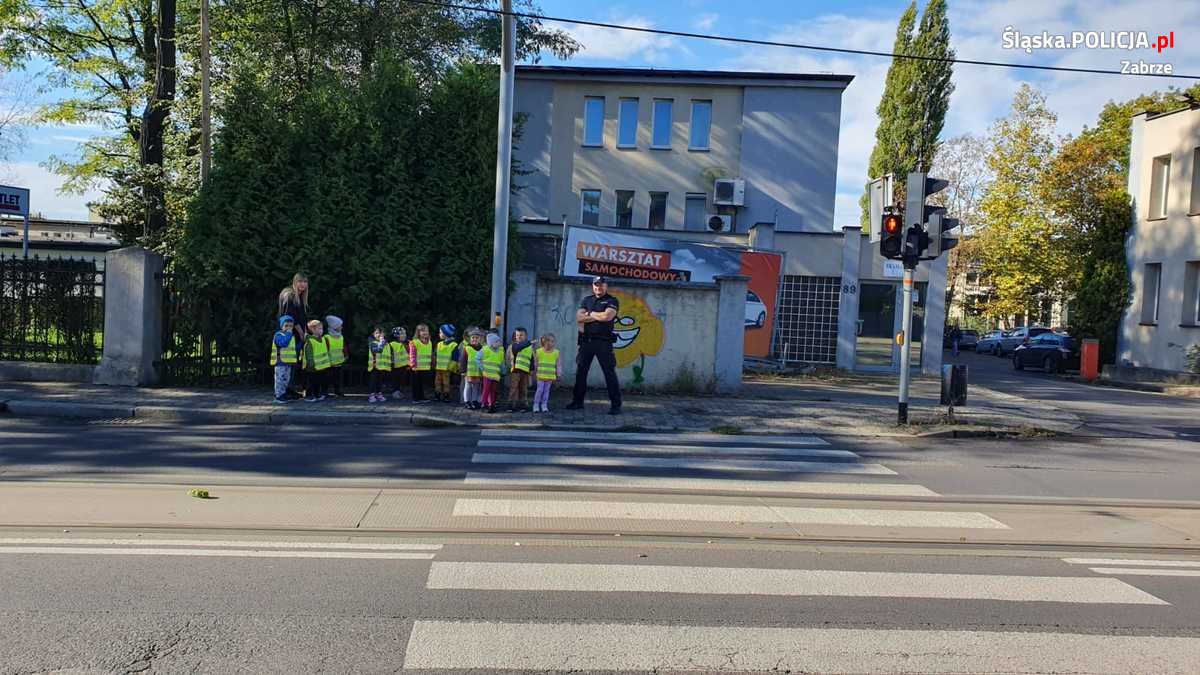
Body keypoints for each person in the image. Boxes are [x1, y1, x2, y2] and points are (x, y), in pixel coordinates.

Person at [566, 276, 622, 415]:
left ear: (606, 286)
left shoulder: (612, 300)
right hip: (586, 342)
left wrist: (589, 313)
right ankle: (577, 402)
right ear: (593, 286)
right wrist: (598, 315)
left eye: (601, 285)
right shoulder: (587, 300)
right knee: (581, 372)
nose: (598, 287)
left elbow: (607, 317)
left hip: (604, 342)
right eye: (596, 285)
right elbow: (579, 317)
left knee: (609, 373)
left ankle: (616, 405)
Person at [278, 273, 310, 398]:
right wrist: (302, 333)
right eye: (300, 281)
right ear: (295, 282)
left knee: (292, 363)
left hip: (295, 336)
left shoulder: (299, 297)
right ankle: (284, 391)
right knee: (287, 364)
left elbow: (301, 317)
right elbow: (290, 319)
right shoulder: (290, 296)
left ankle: (289, 389)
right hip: (290, 337)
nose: (303, 284)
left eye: (305, 282)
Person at [271, 315, 300, 404]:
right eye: (286, 325)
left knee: (286, 380)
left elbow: (293, 348)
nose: (288, 328)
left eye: (290, 326)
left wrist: (301, 344)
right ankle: (278, 396)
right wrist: (288, 334)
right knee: (280, 379)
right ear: (281, 326)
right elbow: (283, 343)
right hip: (280, 362)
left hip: (288, 363)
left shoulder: (291, 336)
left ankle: (284, 394)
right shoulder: (278, 335)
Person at [532, 333, 563, 413]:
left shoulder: (556, 352)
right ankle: (536, 404)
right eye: (548, 340)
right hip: (540, 376)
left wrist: (559, 374)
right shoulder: (539, 352)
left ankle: (544, 404)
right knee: (539, 390)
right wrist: (533, 372)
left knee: (546, 391)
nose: (550, 343)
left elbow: (558, 364)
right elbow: (536, 363)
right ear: (544, 341)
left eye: (552, 341)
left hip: (550, 376)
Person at [506, 326, 534, 412]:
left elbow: (532, 359)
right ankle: (511, 404)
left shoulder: (530, 348)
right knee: (514, 388)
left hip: (525, 371)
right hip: (515, 371)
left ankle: (523, 405)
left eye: (521, 335)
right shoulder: (513, 346)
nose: (519, 337)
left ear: (526, 336)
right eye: (517, 335)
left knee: (524, 388)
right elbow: (517, 348)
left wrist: (531, 369)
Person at [302, 319, 331, 402]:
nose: (322, 330)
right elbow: (309, 355)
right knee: (313, 382)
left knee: (319, 381)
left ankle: (317, 395)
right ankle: (312, 396)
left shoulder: (323, 339)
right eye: (319, 329)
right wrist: (312, 364)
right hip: (312, 367)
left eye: (322, 328)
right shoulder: (310, 341)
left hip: (321, 367)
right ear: (312, 330)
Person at [477, 331, 505, 413]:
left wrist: (503, 371)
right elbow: (477, 359)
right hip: (487, 374)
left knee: (493, 390)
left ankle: (491, 405)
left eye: (499, 341)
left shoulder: (500, 352)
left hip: (496, 375)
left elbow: (502, 363)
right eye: (497, 341)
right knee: (486, 390)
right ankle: (484, 404)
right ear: (491, 343)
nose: (499, 343)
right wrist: (482, 368)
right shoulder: (485, 349)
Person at [409, 323, 434, 403]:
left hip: (425, 367)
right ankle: (416, 398)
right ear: (418, 332)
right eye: (422, 331)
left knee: (422, 384)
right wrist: (413, 365)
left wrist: (431, 363)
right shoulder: (414, 342)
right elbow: (412, 355)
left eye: (426, 330)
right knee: (416, 384)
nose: (425, 332)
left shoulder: (429, 342)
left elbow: (430, 354)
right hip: (416, 367)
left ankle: (422, 397)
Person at [324, 315, 348, 397]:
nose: (341, 327)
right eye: (339, 326)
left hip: (339, 362)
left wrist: (346, 355)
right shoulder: (327, 337)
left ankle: (338, 390)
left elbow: (344, 347)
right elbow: (325, 349)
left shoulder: (341, 337)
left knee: (338, 378)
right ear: (334, 327)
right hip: (329, 363)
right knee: (327, 378)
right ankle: (325, 391)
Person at [434, 324, 459, 403]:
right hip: (438, 367)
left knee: (446, 382)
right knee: (437, 381)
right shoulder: (439, 344)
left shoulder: (453, 345)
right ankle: (437, 394)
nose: (439, 334)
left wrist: (451, 367)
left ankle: (446, 395)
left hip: (446, 368)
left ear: (446, 334)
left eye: (440, 332)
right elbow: (435, 354)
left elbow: (455, 357)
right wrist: (434, 363)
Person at [460, 327, 484, 409]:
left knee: (476, 387)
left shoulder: (482, 349)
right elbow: (463, 360)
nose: (474, 339)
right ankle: (467, 401)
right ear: (470, 338)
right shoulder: (467, 348)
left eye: (476, 338)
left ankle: (474, 401)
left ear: (480, 339)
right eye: (473, 338)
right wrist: (463, 370)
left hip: (478, 372)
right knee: (468, 386)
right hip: (469, 372)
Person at [366, 326, 390, 403]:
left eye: (381, 333)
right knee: (373, 381)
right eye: (377, 333)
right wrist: (381, 343)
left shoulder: (386, 344)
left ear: (384, 334)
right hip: (374, 365)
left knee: (380, 381)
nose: (379, 335)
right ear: (373, 334)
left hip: (382, 366)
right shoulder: (372, 342)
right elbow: (377, 350)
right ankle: (371, 395)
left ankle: (379, 394)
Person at [389, 326, 409, 400]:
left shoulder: (407, 343)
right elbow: (390, 354)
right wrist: (391, 363)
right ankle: (395, 391)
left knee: (402, 379)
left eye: (405, 333)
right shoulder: (392, 344)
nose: (404, 335)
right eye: (402, 334)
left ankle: (399, 391)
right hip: (395, 366)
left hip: (404, 365)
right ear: (396, 336)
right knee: (395, 379)